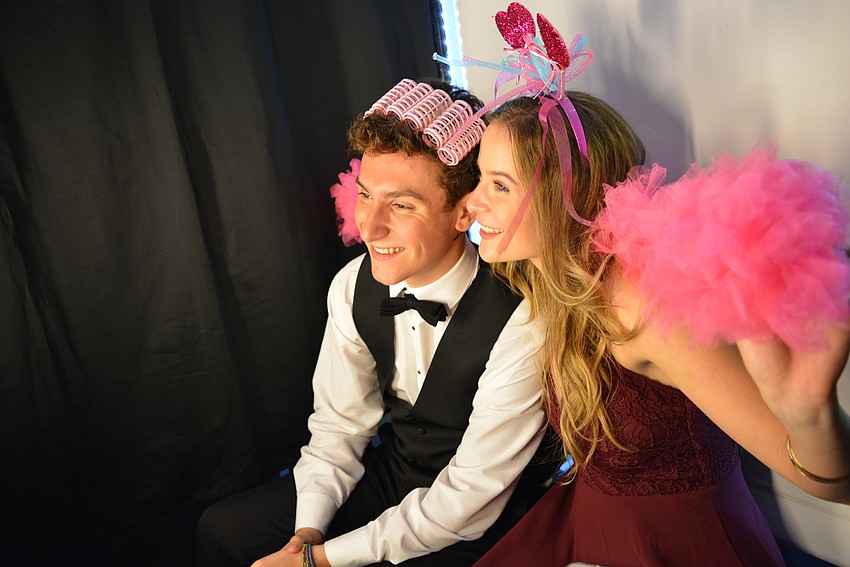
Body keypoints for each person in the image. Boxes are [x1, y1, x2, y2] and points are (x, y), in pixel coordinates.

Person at [448, 4, 850, 565]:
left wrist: (809, 416)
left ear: (569, 198)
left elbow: (832, 484)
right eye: (478, 180)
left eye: (499, 185)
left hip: (684, 546)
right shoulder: (547, 283)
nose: (474, 202)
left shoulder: (644, 311)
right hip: (592, 522)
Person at [195, 78, 556, 567]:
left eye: (403, 205)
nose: (370, 225)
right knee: (224, 531)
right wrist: (306, 534)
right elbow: (339, 427)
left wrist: (317, 561)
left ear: (462, 211)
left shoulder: (522, 315)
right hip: (393, 473)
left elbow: (470, 497)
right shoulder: (352, 286)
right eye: (366, 196)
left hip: (485, 513)